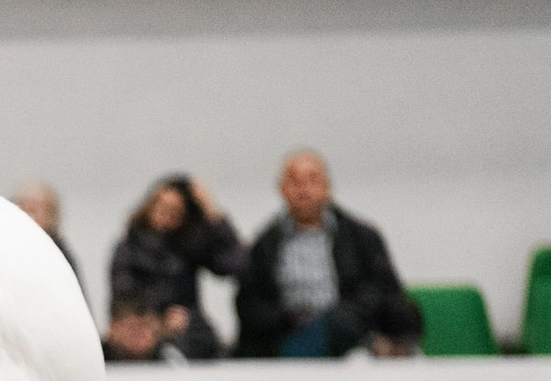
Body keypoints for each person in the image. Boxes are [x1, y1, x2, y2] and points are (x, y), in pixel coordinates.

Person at [234, 150, 423, 358]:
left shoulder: (362, 237)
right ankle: (365, 350)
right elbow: (249, 306)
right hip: (293, 333)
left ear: (327, 187)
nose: (303, 189)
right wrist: (289, 318)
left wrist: (347, 312)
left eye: (312, 180)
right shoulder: (264, 245)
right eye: (295, 181)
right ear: (282, 189)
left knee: (398, 313)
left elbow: (386, 287)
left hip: (354, 322)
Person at [107, 174, 246, 361]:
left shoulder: (189, 246)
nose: (165, 214)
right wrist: (158, 322)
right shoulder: (129, 246)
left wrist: (213, 213)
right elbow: (123, 296)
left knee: (206, 341)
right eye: (161, 205)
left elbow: (235, 264)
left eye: (174, 211)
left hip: (184, 328)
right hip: (142, 328)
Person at [12, 181, 83, 297]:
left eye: (32, 210)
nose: (26, 216)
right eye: (22, 208)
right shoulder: (10, 251)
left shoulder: (60, 258)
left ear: (51, 215)